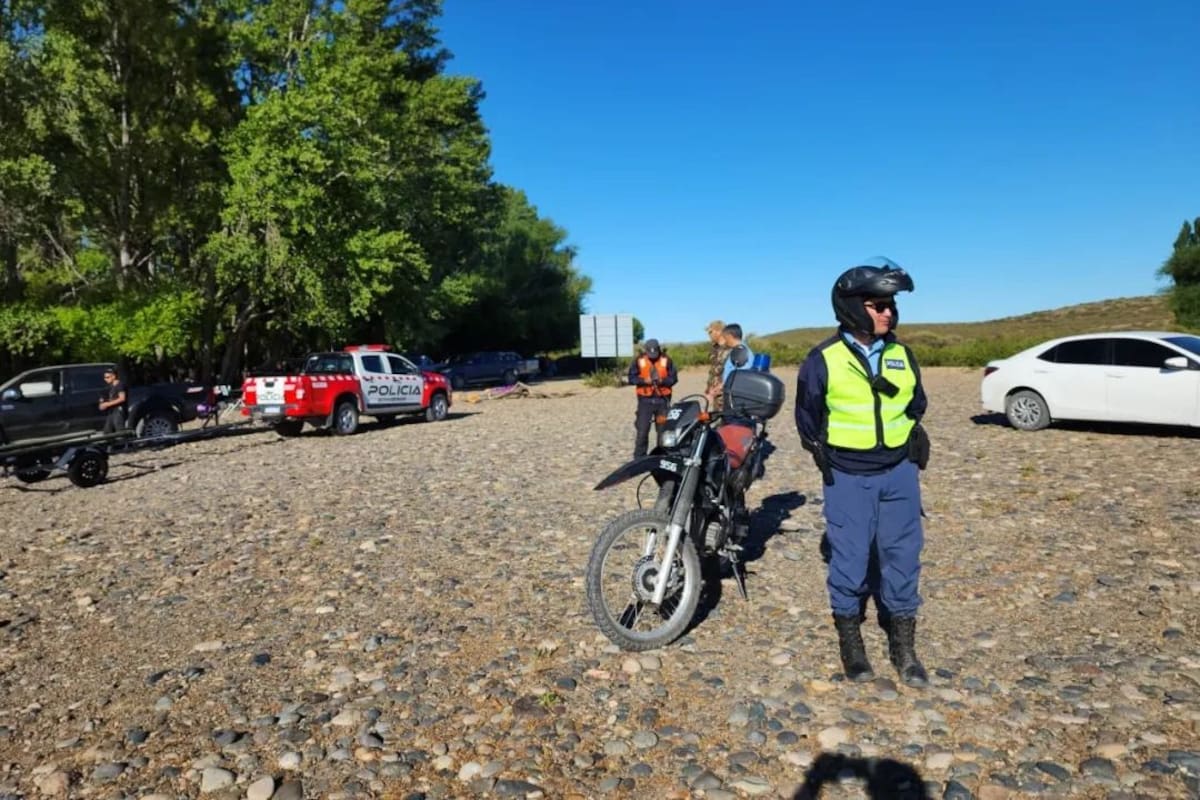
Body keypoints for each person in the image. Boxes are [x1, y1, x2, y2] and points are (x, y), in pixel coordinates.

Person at [794, 257, 931, 688]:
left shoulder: (902, 355)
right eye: (879, 305)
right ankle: (851, 642)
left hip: (899, 472)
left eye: (891, 304)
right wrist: (832, 457)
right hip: (848, 476)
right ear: (853, 307)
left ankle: (903, 647)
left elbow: (916, 403)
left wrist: (906, 443)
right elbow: (807, 419)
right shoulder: (823, 359)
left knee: (903, 557)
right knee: (850, 561)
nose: (889, 312)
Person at [628, 338, 678, 458]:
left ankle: (662, 456)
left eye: (655, 353)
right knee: (642, 431)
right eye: (650, 354)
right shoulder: (638, 361)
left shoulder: (667, 360)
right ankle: (639, 458)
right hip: (645, 401)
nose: (653, 357)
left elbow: (673, 378)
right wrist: (644, 381)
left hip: (662, 401)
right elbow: (631, 378)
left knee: (663, 431)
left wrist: (662, 381)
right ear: (645, 351)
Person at [704, 320, 729, 412]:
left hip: (725, 393)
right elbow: (713, 371)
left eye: (710, 331)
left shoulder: (730, 348)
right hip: (714, 394)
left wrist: (719, 388)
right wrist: (708, 390)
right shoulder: (714, 348)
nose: (708, 334)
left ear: (719, 331)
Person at [99, 366, 128, 433]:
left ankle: (125, 443)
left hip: (118, 411)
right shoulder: (111, 387)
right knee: (107, 431)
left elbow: (122, 398)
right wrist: (103, 405)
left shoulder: (120, 385)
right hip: (111, 411)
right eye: (104, 377)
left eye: (107, 377)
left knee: (120, 431)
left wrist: (107, 404)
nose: (105, 379)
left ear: (114, 376)